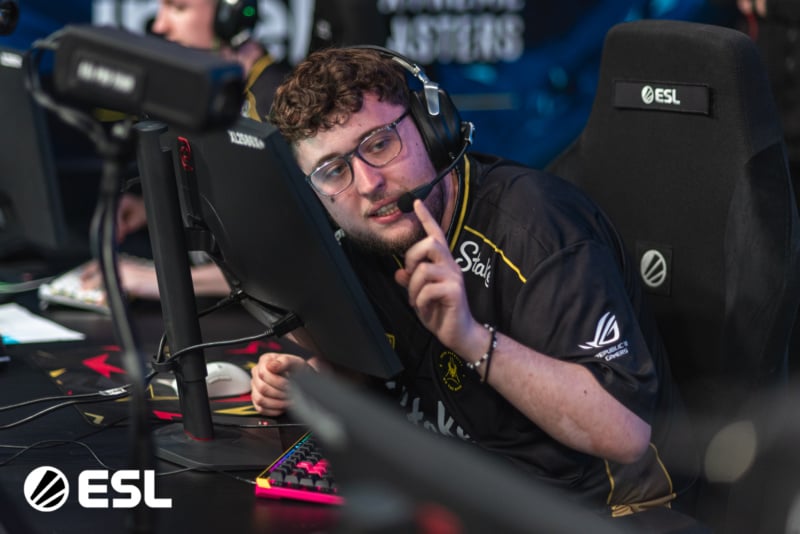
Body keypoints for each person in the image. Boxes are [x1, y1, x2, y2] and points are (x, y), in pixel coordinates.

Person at [250, 47, 698, 516]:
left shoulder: (536, 229)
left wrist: (470, 338)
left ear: (431, 129)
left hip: (601, 512)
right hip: (467, 491)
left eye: (379, 144)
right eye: (334, 171)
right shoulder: (364, 241)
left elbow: (625, 434)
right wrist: (323, 382)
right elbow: (400, 375)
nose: (367, 184)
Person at [81, 0, 290, 299]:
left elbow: (285, 262)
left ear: (229, 16)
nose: (159, 25)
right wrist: (148, 209)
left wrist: (159, 280)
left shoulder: (277, 104)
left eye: (178, 8)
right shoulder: (205, 91)